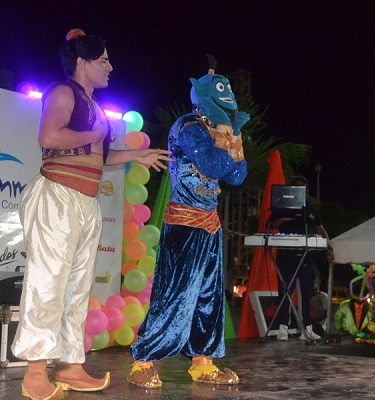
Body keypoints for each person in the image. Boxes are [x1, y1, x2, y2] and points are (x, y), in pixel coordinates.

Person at [10, 29, 172, 400]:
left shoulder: (93, 105)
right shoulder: (63, 92)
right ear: (82, 63)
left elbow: (97, 156)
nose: (110, 67)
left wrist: (135, 155)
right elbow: (49, 137)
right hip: (58, 196)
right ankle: (35, 371)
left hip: (85, 202)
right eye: (103, 60)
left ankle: (70, 365)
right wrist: (95, 133)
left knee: (77, 288)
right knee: (47, 283)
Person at [128, 55, 249, 388]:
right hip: (183, 224)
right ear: (205, 96)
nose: (229, 97)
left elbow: (238, 176)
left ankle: (202, 363)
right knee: (174, 295)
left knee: (208, 298)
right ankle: (143, 362)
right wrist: (228, 135)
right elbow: (212, 165)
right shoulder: (188, 127)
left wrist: (231, 136)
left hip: (210, 225)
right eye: (221, 91)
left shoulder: (220, 129)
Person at [270, 176, 333, 341]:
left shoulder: (311, 209)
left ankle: (307, 328)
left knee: (307, 294)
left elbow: (320, 230)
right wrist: (282, 219)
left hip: (307, 258)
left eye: (302, 188)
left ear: (307, 191)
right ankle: (283, 327)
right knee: (285, 291)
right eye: (296, 187)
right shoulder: (283, 206)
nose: (300, 190)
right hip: (287, 257)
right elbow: (271, 224)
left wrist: (329, 248)